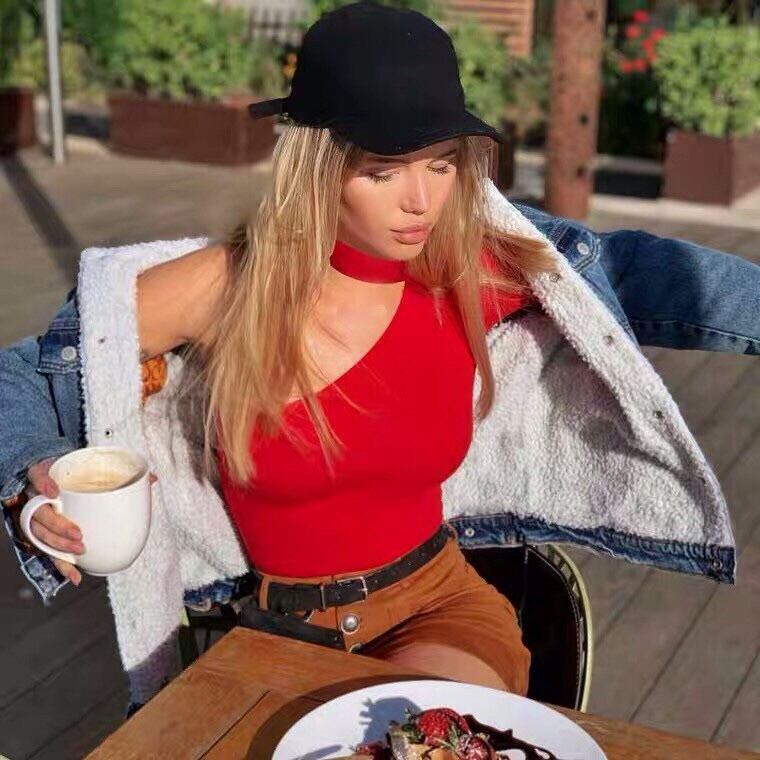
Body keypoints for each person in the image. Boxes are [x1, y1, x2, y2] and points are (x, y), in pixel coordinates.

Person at [1, 0, 758, 720]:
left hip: (439, 611)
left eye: (442, 164)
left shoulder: (465, 272)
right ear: (319, 167)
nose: (421, 201)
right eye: (384, 169)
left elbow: (640, 273)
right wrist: (32, 470)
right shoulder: (229, 286)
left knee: (405, 736)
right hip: (272, 631)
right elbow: (32, 369)